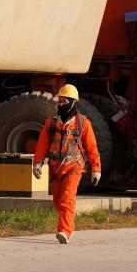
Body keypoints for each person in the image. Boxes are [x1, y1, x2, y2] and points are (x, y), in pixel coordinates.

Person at [32, 84, 101, 243]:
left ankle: (64, 231)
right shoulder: (51, 122)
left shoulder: (83, 123)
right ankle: (69, 224)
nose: (61, 104)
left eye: (64, 101)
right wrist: (38, 163)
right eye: (60, 100)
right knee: (57, 201)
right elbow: (42, 145)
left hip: (74, 167)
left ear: (73, 102)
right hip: (55, 168)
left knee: (67, 199)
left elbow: (92, 148)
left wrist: (96, 169)